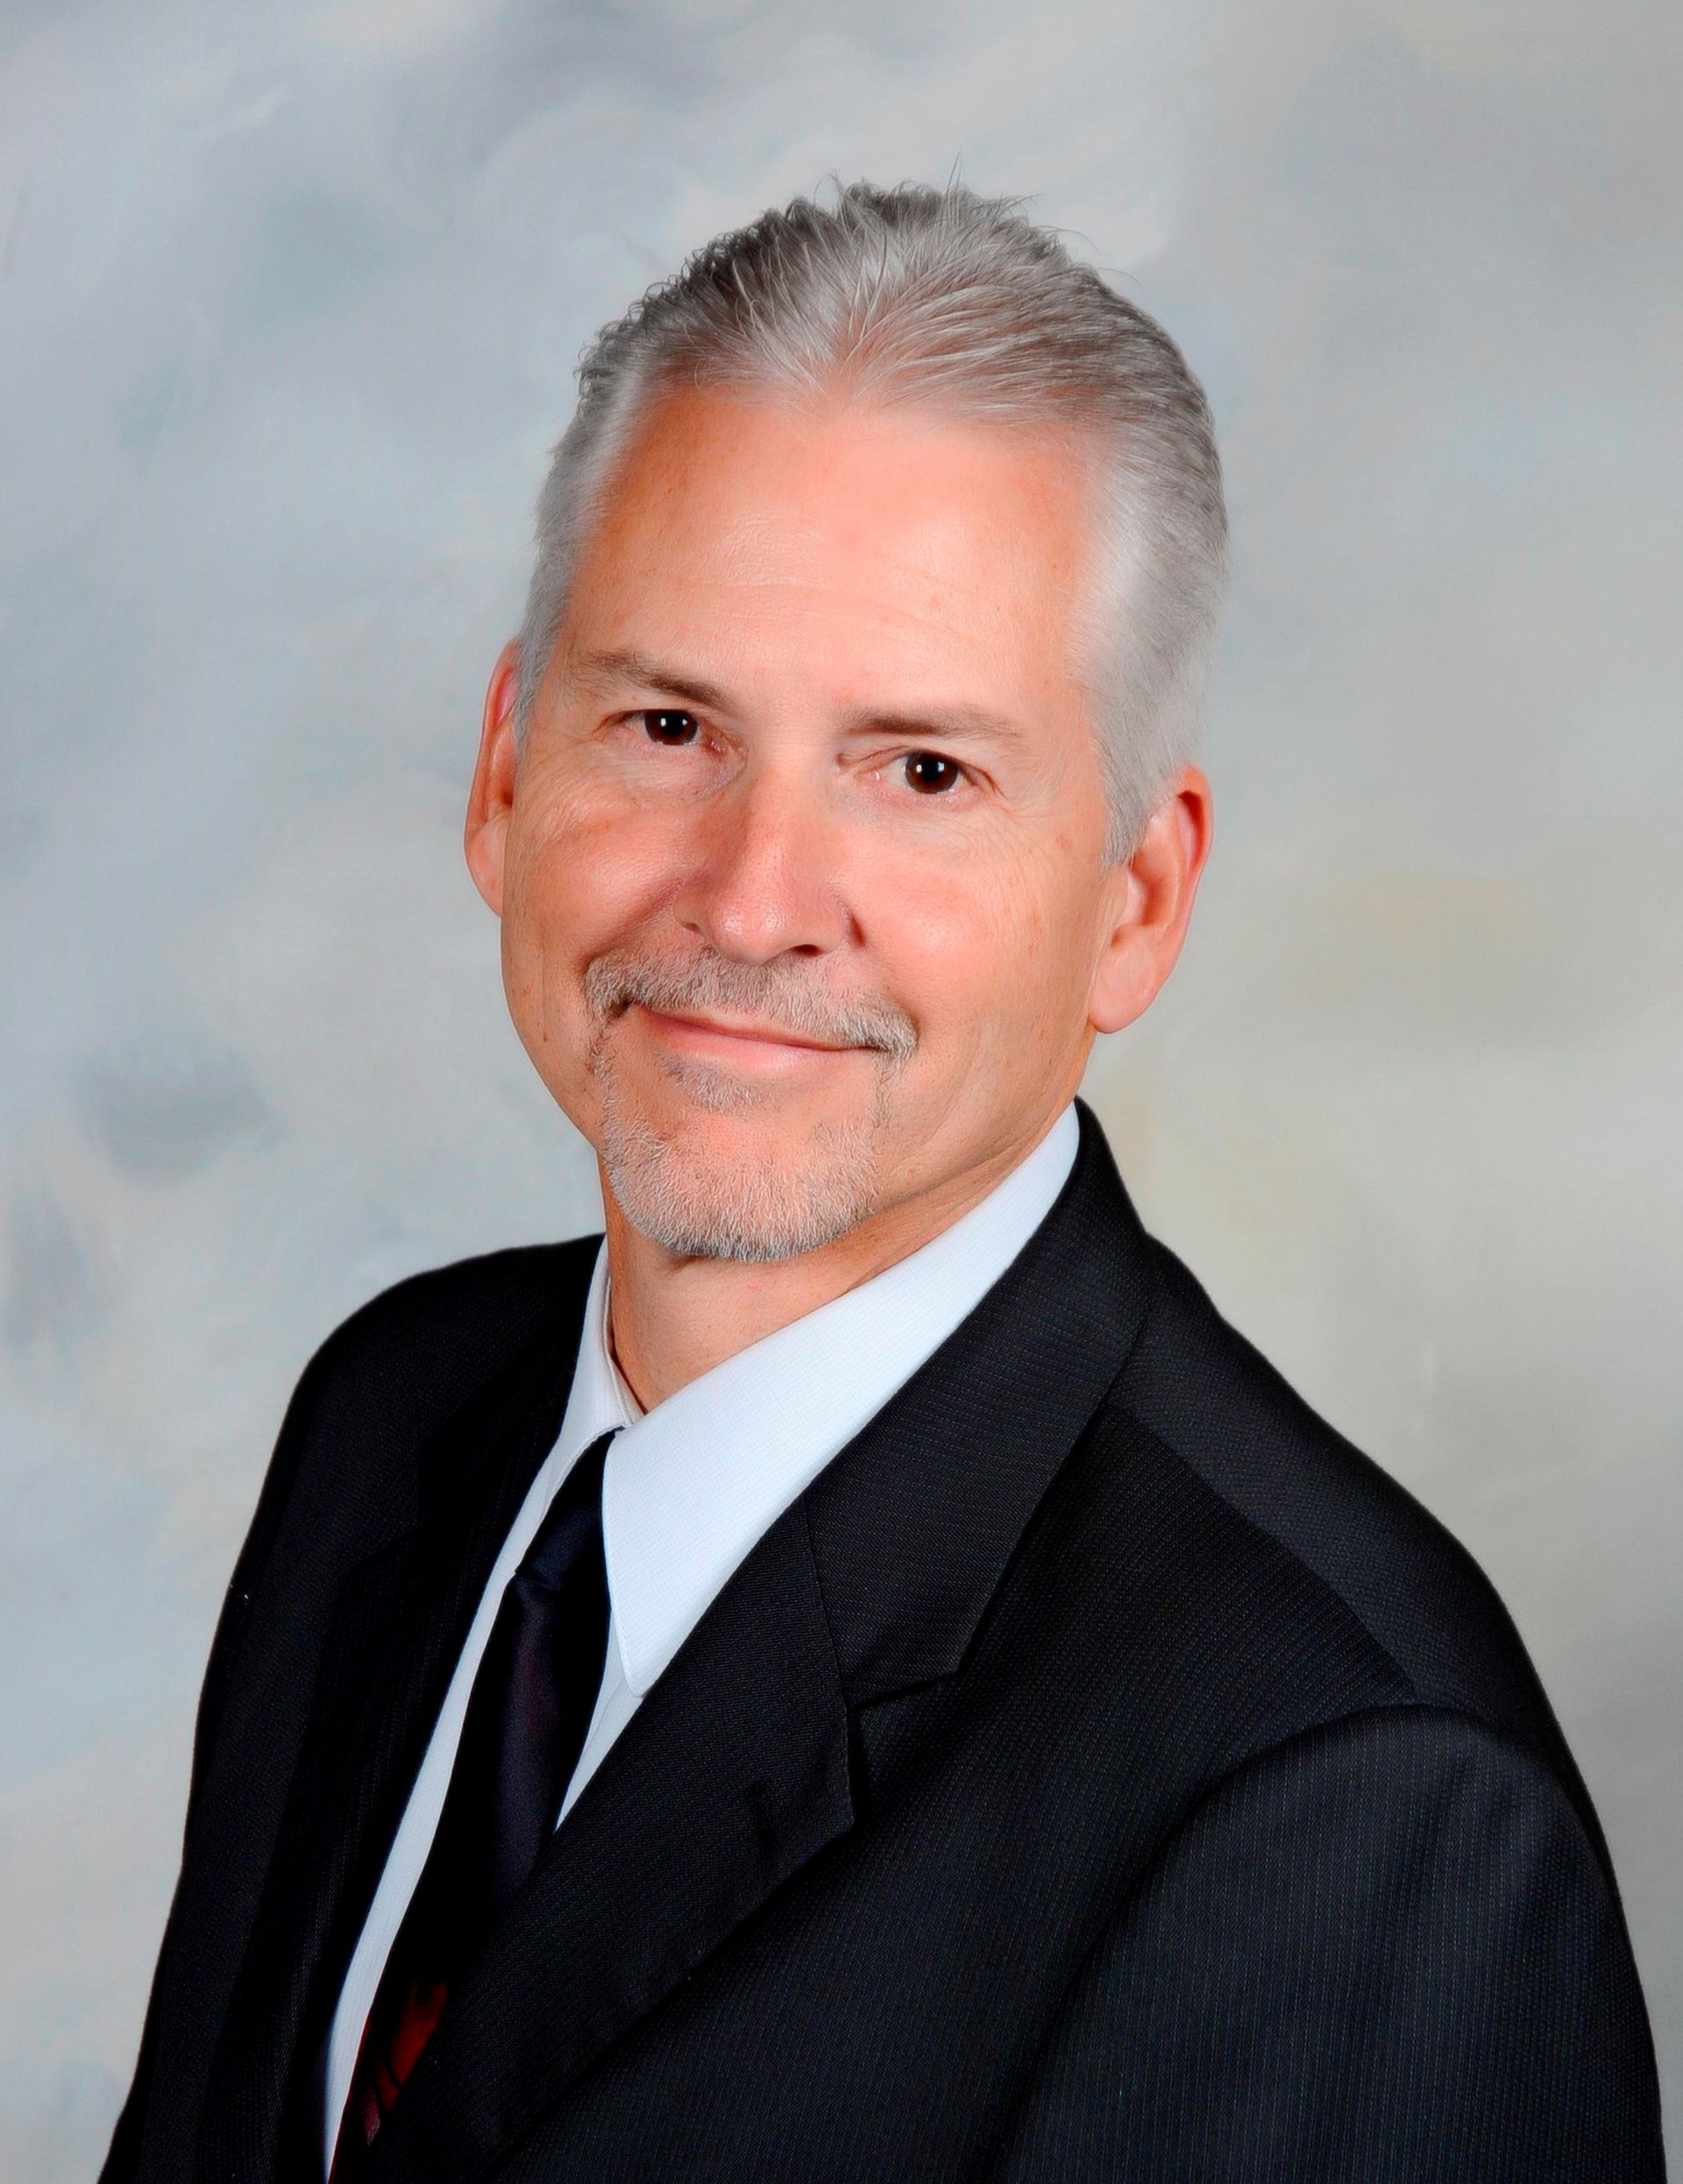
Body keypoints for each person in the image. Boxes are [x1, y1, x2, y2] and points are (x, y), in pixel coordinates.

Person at [102, 179, 1664, 2183]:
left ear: (1136, 896)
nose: (752, 899)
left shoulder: (1353, 1814)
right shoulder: (394, 1422)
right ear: (506, 769)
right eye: (669, 724)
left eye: (921, 772)